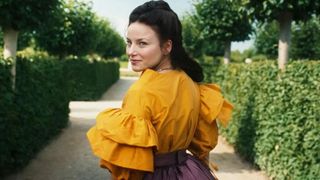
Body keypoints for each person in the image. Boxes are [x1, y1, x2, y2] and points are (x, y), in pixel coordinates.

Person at [87, 1, 233, 179]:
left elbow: (130, 167)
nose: (131, 51)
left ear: (167, 46)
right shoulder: (192, 83)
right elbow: (203, 148)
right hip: (190, 171)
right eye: (129, 42)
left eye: (142, 44)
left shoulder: (142, 92)